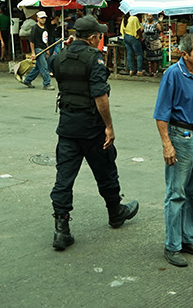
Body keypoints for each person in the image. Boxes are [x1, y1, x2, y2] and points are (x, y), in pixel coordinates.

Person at [49, 15, 139, 250]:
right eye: (99, 36)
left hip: (67, 126)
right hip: (91, 127)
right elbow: (101, 96)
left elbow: (53, 68)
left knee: (64, 178)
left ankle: (61, 229)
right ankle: (115, 212)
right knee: (106, 170)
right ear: (92, 38)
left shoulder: (59, 56)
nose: (100, 39)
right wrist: (109, 126)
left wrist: (68, 49)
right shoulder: (94, 58)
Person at [153, 33, 193, 267]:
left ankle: (188, 238)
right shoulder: (173, 75)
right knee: (176, 192)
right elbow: (161, 114)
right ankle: (172, 245)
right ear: (185, 54)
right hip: (182, 137)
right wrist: (167, 144)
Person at [21, 11, 53, 90]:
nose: (43, 20)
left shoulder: (44, 27)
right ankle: (47, 83)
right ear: (37, 18)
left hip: (43, 49)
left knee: (38, 68)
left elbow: (46, 39)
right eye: (41, 18)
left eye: (44, 18)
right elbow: (31, 41)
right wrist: (33, 52)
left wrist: (47, 49)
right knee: (44, 67)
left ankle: (27, 80)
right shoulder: (35, 28)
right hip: (38, 49)